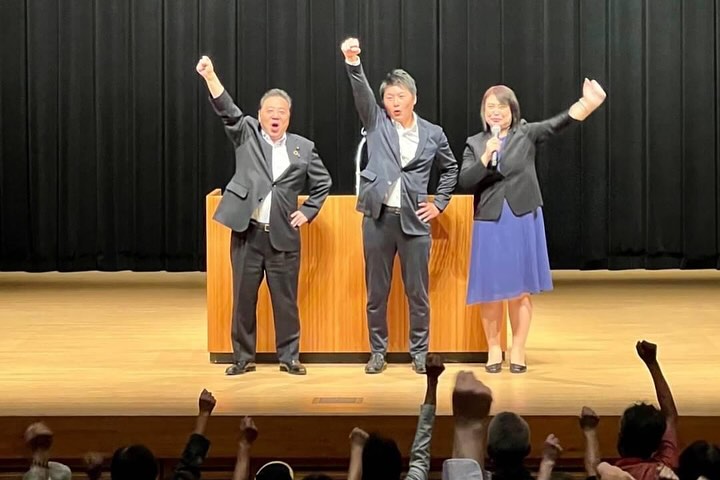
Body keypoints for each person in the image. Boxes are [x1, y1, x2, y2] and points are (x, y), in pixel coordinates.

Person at [458, 79, 606, 373]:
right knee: (490, 290)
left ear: (512, 110)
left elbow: (556, 125)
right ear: (483, 112)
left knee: (519, 291)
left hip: (521, 216)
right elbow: (465, 181)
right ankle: (493, 348)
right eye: (490, 107)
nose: (496, 111)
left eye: (502, 106)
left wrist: (586, 104)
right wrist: (485, 157)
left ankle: (518, 349)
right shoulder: (475, 144)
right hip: (489, 220)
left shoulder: (525, 133)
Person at [196, 56, 332, 376]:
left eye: (281, 112)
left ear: (289, 117)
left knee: (285, 302)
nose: (275, 116)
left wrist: (308, 211)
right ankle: (242, 358)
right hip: (248, 234)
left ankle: (290, 357)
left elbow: (323, 182)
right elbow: (226, 108)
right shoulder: (247, 133)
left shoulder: (303, 148)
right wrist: (210, 76)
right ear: (259, 115)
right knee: (243, 299)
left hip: (283, 237)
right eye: (270, 111)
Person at [340, 38, 459, 374]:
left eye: (400, 96)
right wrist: (352, 62)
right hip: (378, 220)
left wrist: (440, 204)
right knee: (376, 293)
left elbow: (450, 169)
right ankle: (378, 352)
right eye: (389, 97)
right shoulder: (376, 122)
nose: (394, 102)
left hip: (415, 223)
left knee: (417, 294)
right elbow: (360, 90)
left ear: (413, 98)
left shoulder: (433, 133)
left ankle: (419, 352)